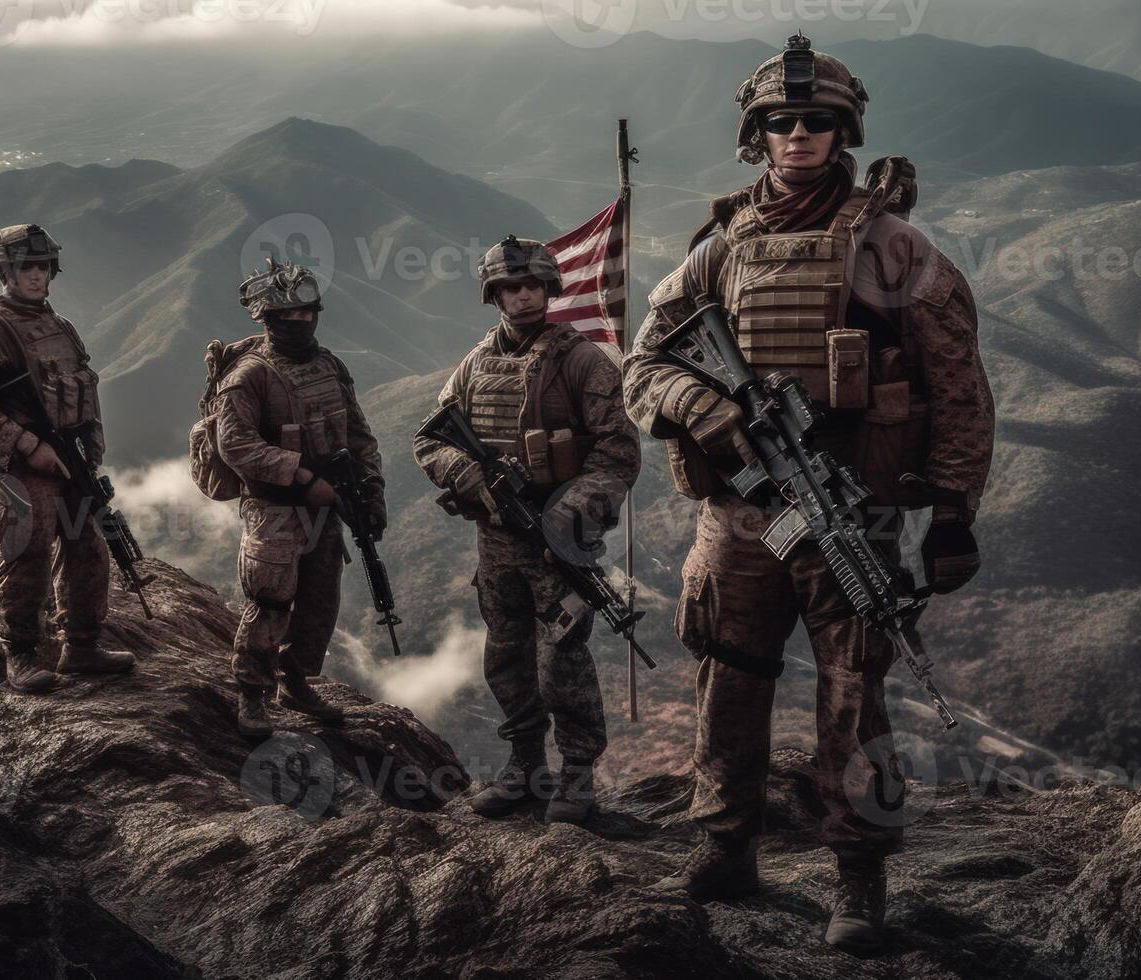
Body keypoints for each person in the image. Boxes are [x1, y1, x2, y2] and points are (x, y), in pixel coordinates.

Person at [620, 35, 995, 951]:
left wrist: (952, 513)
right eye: (780, 122)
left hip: (849, 506)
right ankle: (724, 843)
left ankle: (858, 875)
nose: (798, 135)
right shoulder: (718, 253)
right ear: (757, 135)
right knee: (729, 677)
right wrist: (706, 412)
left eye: (817, 122)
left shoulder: (893, 247)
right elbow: (641, 369)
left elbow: (958, 385)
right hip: (740, 512)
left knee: (853, 690)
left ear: (845, 132)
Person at [412, 236, 640, 825]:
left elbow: (618, 453)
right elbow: (428, 439)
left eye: (534, 286)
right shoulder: (477, 362)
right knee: (507, 657)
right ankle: (525, 768)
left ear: (550, 289)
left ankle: (578, 776)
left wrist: (572, 510)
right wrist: (469, 475)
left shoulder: (582, 361)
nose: (523, 297)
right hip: (496, 540)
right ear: (495, 295)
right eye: (511, 288)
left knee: (562, 661)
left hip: (560, 540)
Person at [0, 224, 135, 695]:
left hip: (71, 458)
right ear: (4, 272)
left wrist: (91, 445)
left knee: (88, 547)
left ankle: (82, 645)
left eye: (42, 266)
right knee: (25, 552)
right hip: (23, 467)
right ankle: (22, 653)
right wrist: (29, 446)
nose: (35, 275)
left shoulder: (59, 327)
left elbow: (83, 389)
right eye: (24, 267)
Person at [210, 259, 386, 740]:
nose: (301, 322)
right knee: (270, 601)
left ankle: (297, 682)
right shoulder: (249, 376)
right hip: (274, 510)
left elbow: (358, 432)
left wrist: (372, 491)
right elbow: (236, 445)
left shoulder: (329, 366)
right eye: (288, 316)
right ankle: (252, 692)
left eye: (308, 313)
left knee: (319, 601)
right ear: (268, 320)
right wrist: (303, 477)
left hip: (327, 506)